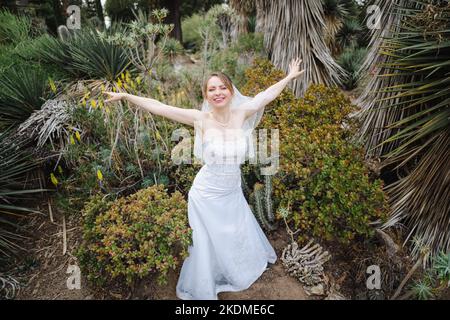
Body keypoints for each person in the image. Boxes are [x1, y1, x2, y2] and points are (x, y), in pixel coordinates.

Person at [104, 58, 304, 300]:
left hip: (231, 190)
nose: (218, 92)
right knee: (208, 240)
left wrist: (289, 76)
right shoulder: (200, 118)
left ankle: (237, 268)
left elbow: (266, 95)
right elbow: (160, 106)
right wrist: (127, 96)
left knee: (234, 232)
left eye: (222, 87)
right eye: (212, 89)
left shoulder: (242, 112)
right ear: (206, 95)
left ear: (231, 91)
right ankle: (207, 280)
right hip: (206, 193)